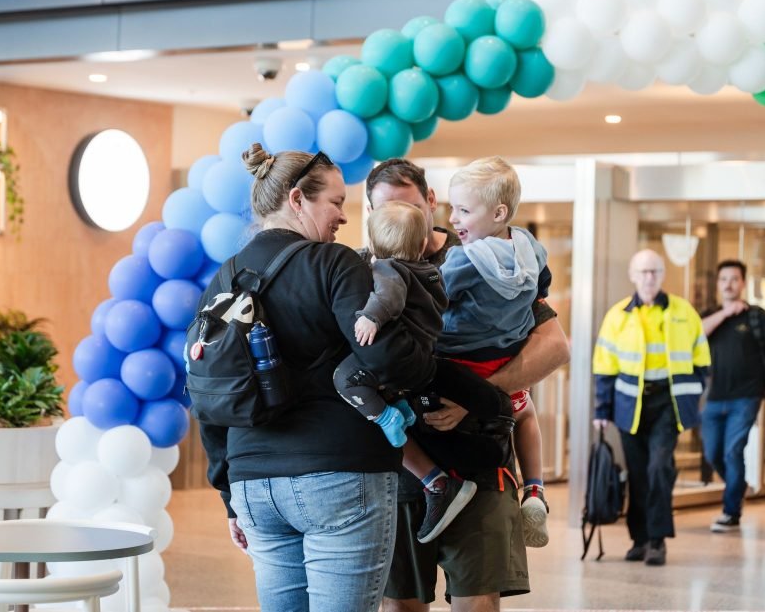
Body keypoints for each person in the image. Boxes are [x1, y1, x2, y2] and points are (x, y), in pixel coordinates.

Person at [196, 144, 436, 612]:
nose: (343, 218)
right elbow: (386, 357)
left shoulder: (224, 280)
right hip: (341, 478)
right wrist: (429, 359)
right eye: (336, 202)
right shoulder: (335, 263)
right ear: (297, 200)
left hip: (253, 486)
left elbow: (208, 392)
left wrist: (229, 495)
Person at [366, 159, 570, 612]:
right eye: (385, 214)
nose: (400, 223)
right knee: (399, 606)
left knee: (478, 604)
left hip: (482, 468)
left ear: (431, 202)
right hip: (400, 477)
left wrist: (476, 397)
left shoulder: (477, 253)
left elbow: (554, 346)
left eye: (409, 209)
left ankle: (533, 488)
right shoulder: (373, 270)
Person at [333, 200, 514, 544]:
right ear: (421, 245)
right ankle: (397, 408)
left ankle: (386, 417)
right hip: (424, 358)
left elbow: (389, 296)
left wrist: (370, 317)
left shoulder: (388, 270)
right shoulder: (431, 273)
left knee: (344, 379)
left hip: (398, 362)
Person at [437, 156, 552, 549]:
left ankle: (439, 486)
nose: (453, 218)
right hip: (505, 356)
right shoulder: (530, 248)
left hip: (460, 359)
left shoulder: (465, 259)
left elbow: (435, 297)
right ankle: (534, 489)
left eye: (464, 210)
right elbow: (543, 285)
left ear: (499, 211)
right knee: (524, 411)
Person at [592, 249, 710, 566]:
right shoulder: (618, 315)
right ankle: (640, 539)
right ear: (633, 275)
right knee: (639, 474)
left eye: (655, 271)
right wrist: (601, 411)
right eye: (643, 272)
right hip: (630, 405)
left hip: (667, 403)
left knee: (660, 467)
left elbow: (702, 362)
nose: (649, 278)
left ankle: (657, 541)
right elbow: (604, 367)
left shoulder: (684, 312)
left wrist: (691, 393)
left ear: (662, 275)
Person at [700, 259, 765, 533]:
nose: (728, 284)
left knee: (732, 451)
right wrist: (726, 313)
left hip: (747, 396)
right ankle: (737, 487)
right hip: (715, 397)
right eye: (723, 279)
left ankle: (731, 512)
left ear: (742, 283)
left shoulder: (756, 315)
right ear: (718, 285)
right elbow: (696, 336)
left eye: (734, 279)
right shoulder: (710, 314)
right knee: (713, 453)